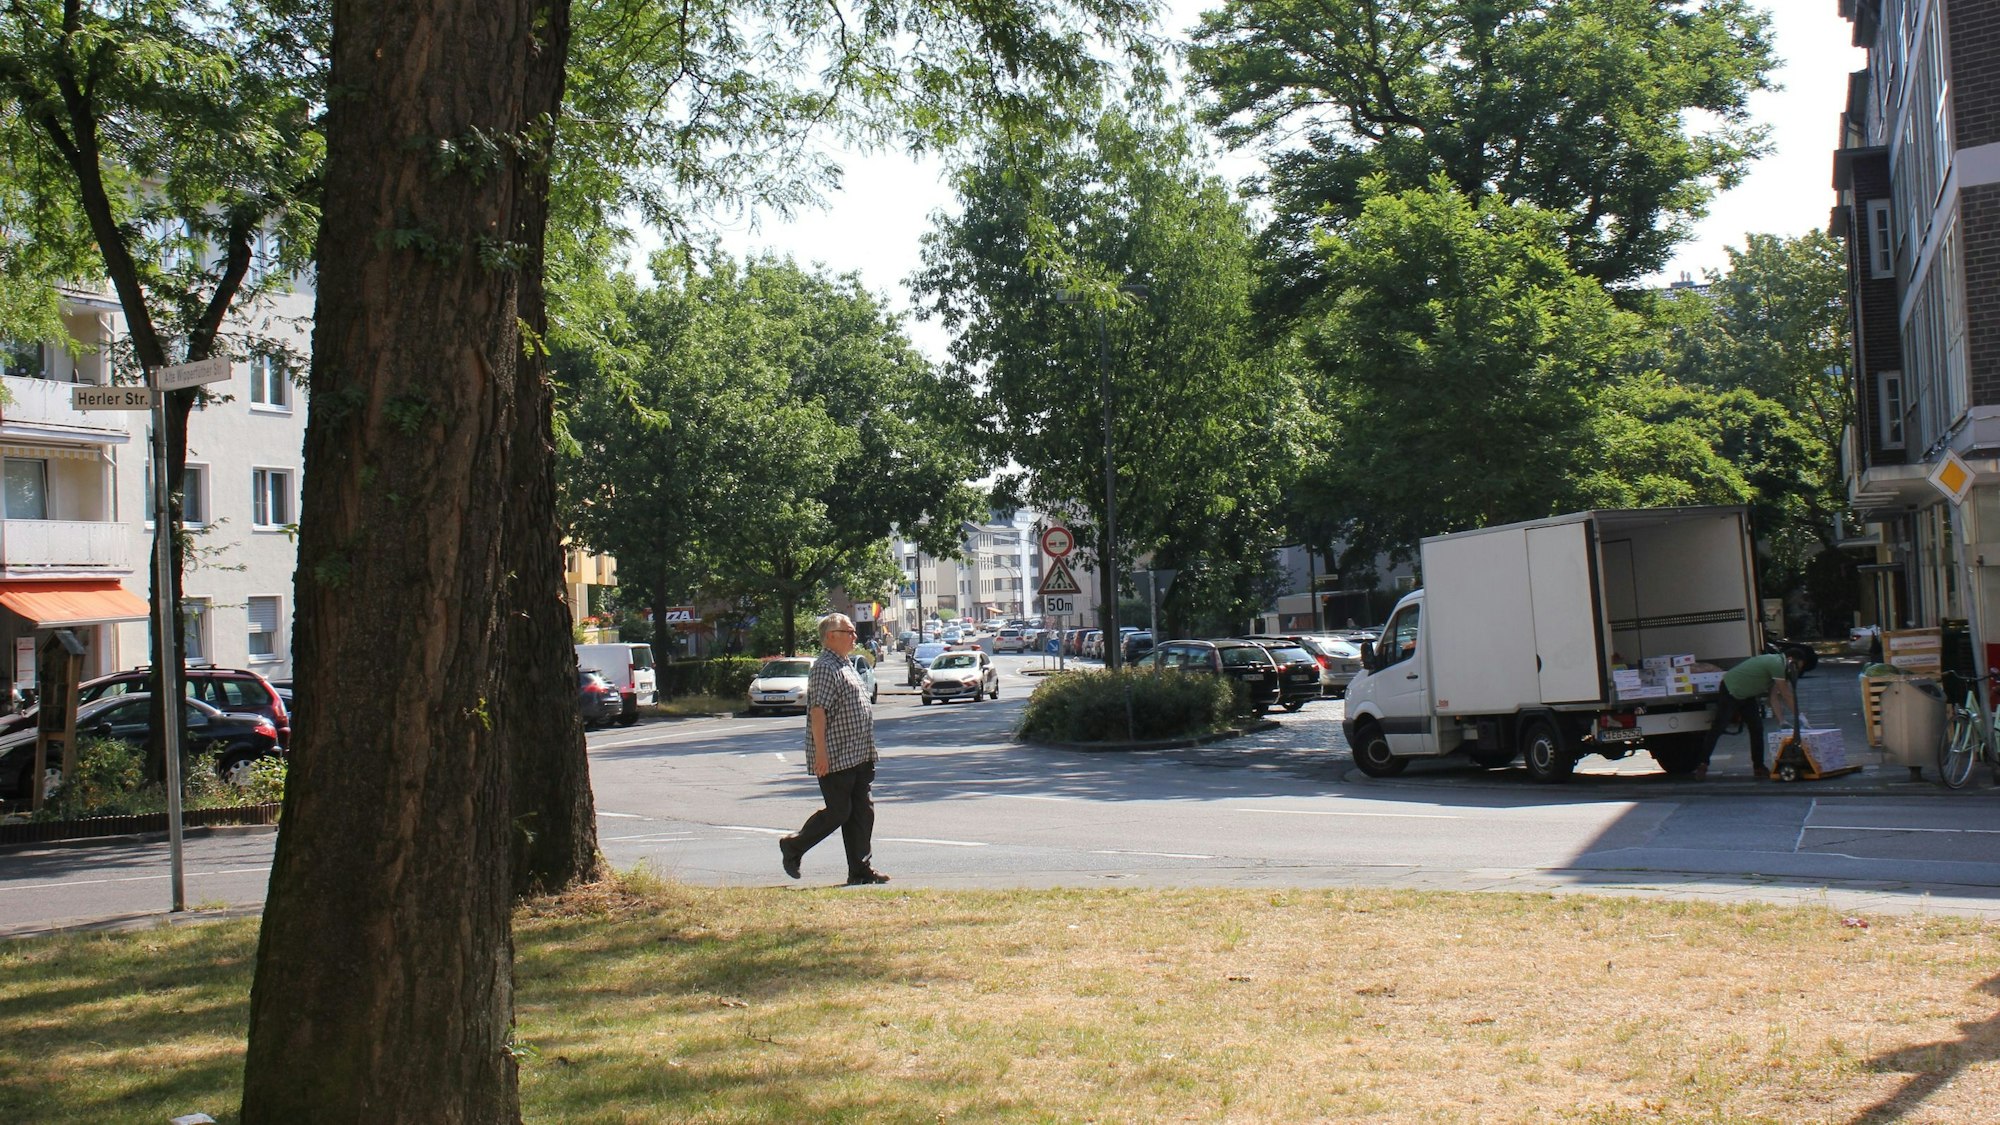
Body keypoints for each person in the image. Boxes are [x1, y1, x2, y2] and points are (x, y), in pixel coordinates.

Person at [779, 613, 890, 885]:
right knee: (839, 811)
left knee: (862, 812)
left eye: (853, 631)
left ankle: (860, 870)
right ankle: (794, 846)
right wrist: (821, 753)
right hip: (837, 755)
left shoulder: (846, 664)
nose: (854, 636)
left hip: (860, 753)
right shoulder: (824, 667)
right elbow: (818, 712)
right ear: (831, 636)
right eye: (848, 631)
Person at [1698, 644, 1818, 780]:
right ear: (1790, 659)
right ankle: (1703, 763)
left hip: (1747, 694)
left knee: (1757, 728)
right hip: (1731, 690)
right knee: (1718, 727)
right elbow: (1786, 694)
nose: (1795, 671)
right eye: (1797, 666)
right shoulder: (1777, 663)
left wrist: (1781, 721)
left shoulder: (1780, 669)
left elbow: (1774, 697)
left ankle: (1758, 766)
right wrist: (1800, 716)